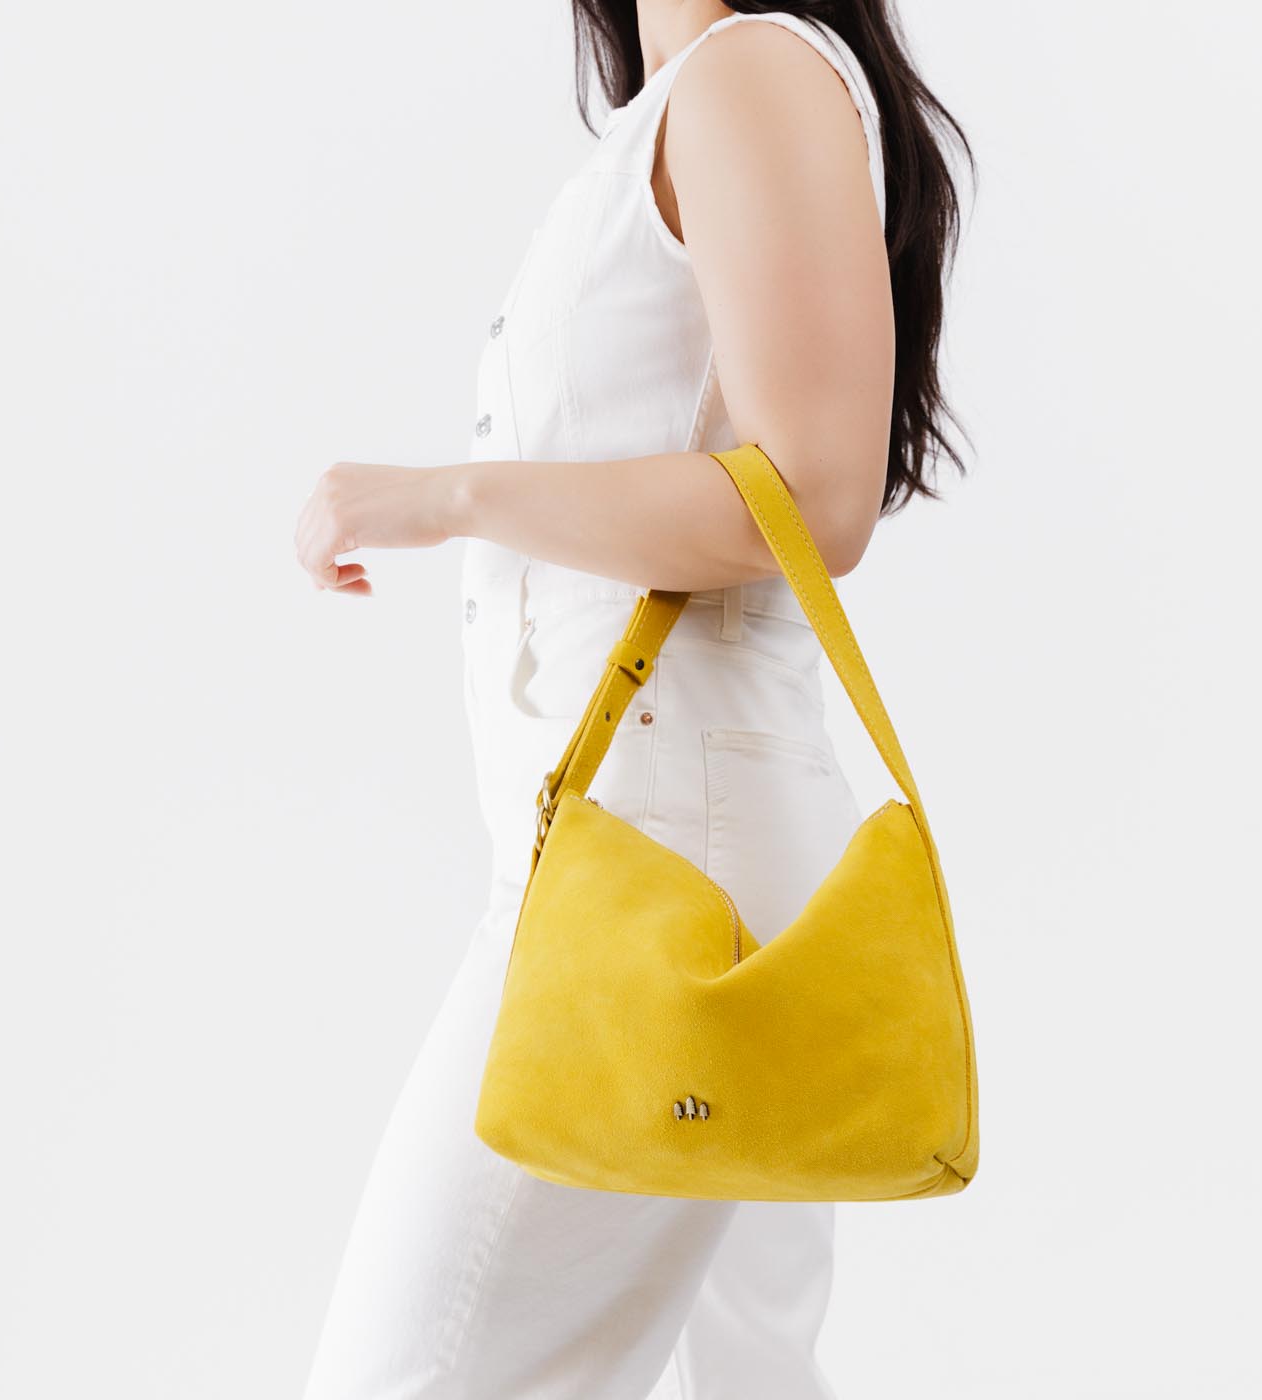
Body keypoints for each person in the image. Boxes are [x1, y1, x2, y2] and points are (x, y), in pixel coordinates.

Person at [293, 4, 971, 1395]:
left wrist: (449, 497)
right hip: (673, 852)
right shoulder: (677, 105)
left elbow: (815, 495)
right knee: (755, 1378)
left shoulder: (752, 70)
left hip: (664, 870)